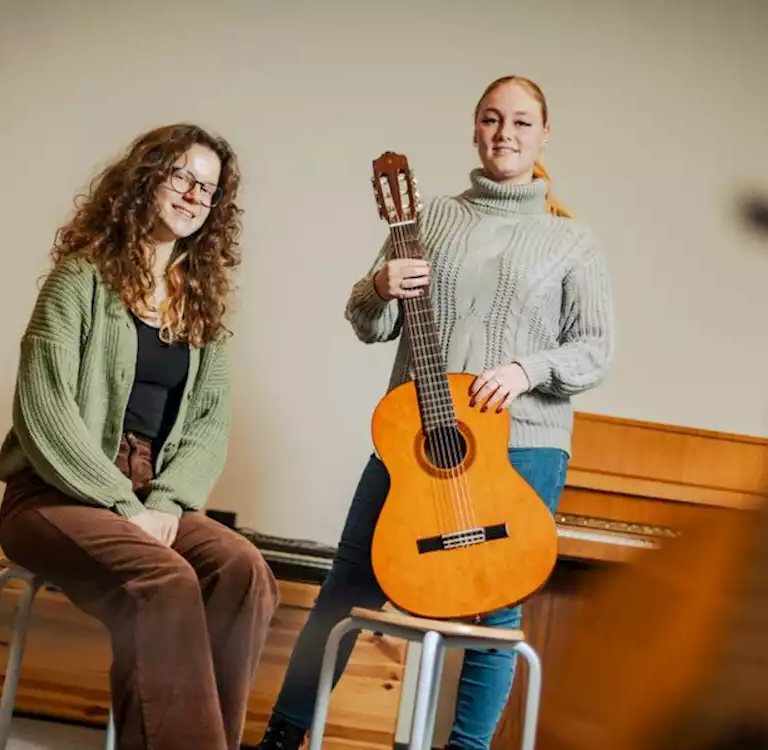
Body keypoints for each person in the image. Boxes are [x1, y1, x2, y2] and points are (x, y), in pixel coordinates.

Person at [256, 75, 615, 750]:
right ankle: (282, 736)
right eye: (490, 119)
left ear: (543, 135)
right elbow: (369, 324)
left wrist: (526, 370)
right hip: (416, 441)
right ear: (474, 128)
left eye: (519, 121)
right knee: (346, 589)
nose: (503, 133)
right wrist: (378, 286)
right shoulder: (428, 219)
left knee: (496, 608)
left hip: (524, 445)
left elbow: (595, 352)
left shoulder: (574, 242)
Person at [0, 123, 279, 750]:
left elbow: (209, 426)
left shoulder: (200, 308)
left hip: (150, 500)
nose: (194, 195)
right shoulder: (79, 281)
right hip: (51, 497)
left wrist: (163, 503)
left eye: (209, 188)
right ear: (145, 178)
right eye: (182, 176)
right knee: (165, 578)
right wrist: (123, 506)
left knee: (243, 570)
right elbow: (46, 412)